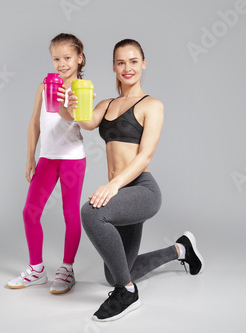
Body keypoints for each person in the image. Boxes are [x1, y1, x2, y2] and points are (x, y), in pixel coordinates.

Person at [62, 39, 204, 321]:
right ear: (114, 67)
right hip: (120, 195)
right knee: (112, 271)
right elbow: (85, 121)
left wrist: (113, 185)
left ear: (143, 64)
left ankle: (127, 293)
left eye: (133, 61)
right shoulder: (107, 104)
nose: (128, 68)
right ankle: (181, 249)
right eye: (121, 62)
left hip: (141, 190)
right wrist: (68, 104)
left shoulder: (152, 105)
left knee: (91, 213)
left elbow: (145, 157)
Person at [6, 33, 87, 294]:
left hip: (72, 158)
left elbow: (85, 121)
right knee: (30, 212)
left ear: (79, 58)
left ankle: (67, 269)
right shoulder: (45, 85)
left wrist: (73, 102)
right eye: (56, 58)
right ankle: (37, 270)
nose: (62, 63)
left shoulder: (82, 90)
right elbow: (34, 123)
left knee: (70, 214)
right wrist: (30, 156)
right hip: (47, 158)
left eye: (67, 57)